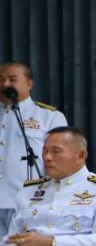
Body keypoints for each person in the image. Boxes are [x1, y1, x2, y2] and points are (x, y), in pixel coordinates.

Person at [0, 62, 68, 233]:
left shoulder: (49, 117)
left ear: (29, 83)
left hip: (25, 202)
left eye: (12, 79)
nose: (5, 84)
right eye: (1, 80)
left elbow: (62, 163)